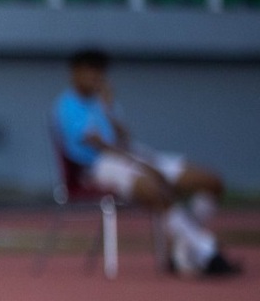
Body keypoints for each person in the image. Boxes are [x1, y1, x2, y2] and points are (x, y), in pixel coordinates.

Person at [53, 49, 239, 278]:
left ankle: (184, 248)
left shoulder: (103, 103)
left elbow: (124, 139)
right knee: (155, 189)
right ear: (76, 73)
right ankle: (207, 251)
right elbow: (97, 144)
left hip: (132, 154)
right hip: (97, 167)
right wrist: (139, 164)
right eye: (91, 71)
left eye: (100, 72)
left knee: (211, 181)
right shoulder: (66, 106)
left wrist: (108, 110)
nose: (96, 77)